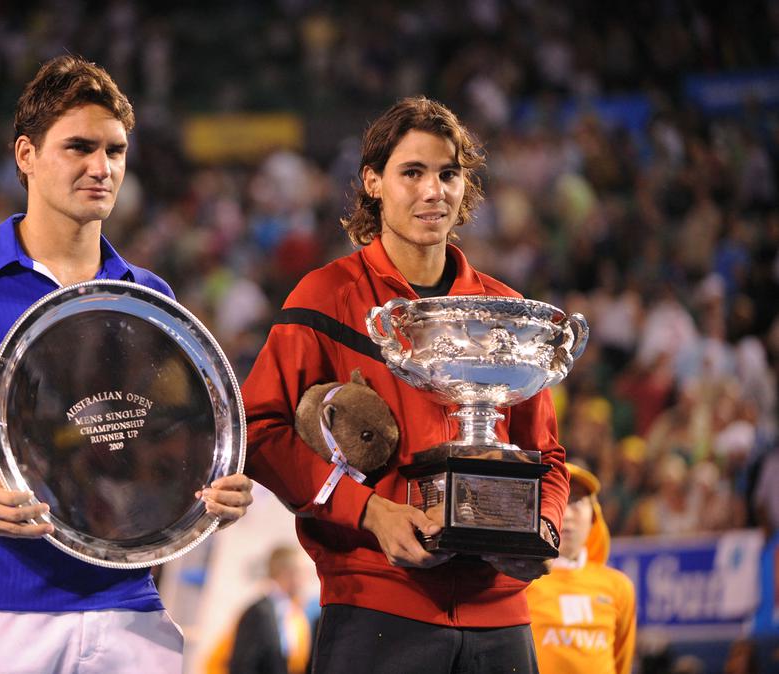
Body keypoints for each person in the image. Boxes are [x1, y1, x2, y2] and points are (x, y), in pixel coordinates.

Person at [0, 55, 253, 674]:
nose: (101, 167)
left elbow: (164, 445)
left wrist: (211, 498)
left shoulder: (148, 298)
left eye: (115, 151)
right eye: (79, 147)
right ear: (26, 155)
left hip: (131, 611)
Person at [242, 96, 568, 674]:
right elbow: (259, 429)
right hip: (376, 606)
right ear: (373, 181)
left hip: (501, 615)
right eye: (411, 172)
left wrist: (537, 527)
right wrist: (370, 512)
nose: (432, 191)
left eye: (448, 174)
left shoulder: (506, 312)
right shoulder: (324, 299)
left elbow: (547, 454)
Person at [526, 463, 636, 674]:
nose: (565, 515)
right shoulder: (518, 581)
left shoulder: (619, 587)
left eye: (576, 501)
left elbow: (622, 663)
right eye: (556, 501)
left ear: (594, 516)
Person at [226, 546, 312, 674]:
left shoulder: (293, 615)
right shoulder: (258, 613)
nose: (306, 580)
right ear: (286, 573)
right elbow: (242, 665)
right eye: (302, 572)